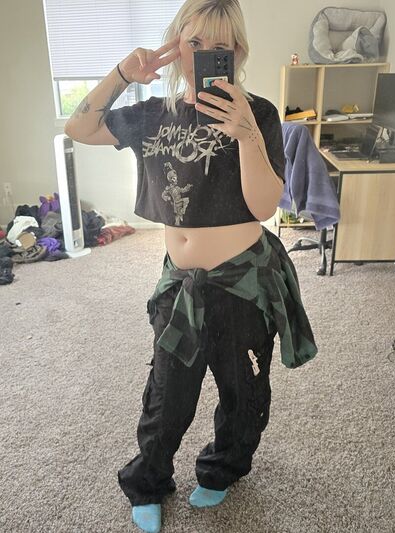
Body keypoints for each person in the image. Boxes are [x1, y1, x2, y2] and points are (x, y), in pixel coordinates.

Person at [65, 1, 318, 531]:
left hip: (244, 284)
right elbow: (79, 128)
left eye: (219, 46)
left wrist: (247, 135)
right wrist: (121, 74)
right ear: (175, 43)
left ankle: (223, 469)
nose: (204, 55)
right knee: (167, 396)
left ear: (237, 53)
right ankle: (149, 480)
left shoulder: (258, 114)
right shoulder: (152, 114)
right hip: (179, 285)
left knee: (243, 394)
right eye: (194, 42)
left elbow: (263, 206)